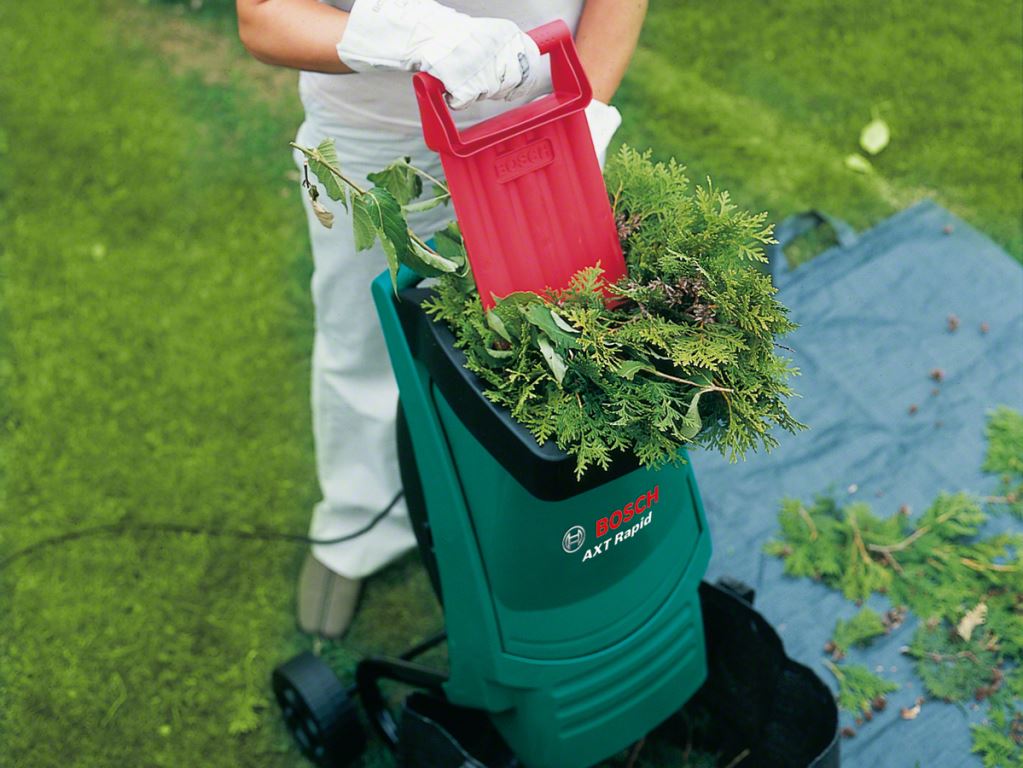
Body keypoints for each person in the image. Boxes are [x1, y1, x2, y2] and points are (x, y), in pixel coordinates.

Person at [236, 0, 649, 638]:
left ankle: (515, 526)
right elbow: (264, 16)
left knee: (541, 343)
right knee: (364, 344)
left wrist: (584, 109)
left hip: (539, 108)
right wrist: (412, 34)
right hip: (376, 132)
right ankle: (358, 524)